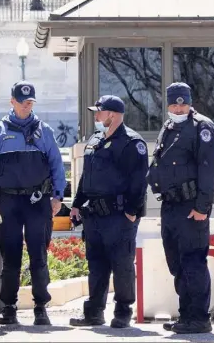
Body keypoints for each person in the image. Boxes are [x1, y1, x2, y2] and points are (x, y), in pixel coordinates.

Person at [0, 81, 67, 326]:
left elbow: (58, 166)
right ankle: (9, 308)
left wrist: (58, 196)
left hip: (38, 201)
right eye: (22, 101)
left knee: (39, 255)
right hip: (8, 202)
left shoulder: (44, 131)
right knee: (11, 257)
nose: (27, 106)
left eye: (30, 102)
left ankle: (40, 308)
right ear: (12, 102)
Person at [146, 82, 214, 334]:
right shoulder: (168, 127)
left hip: (191, 207)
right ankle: (186, 316)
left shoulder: (202, 128)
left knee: (193, 262)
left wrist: (202, 206)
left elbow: (210, 170)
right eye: (174, 103)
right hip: (171, 206)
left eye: (183, 102)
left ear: (190, 103)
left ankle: (199, 318)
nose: (178, 107)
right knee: (176, 263)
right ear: (167, 104)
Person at [68, 95, 149, 329]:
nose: (95, 116)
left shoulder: (132, 142)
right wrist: (76, 203)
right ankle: (94, 312)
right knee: (96, 264)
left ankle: (123, 311)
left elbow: (139, 180)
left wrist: (132, 212)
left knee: (122, 264)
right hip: (94, 215)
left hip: (119, 214)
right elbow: (87, 177)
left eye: (99, 112)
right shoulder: (95, 139)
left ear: (112, 115)